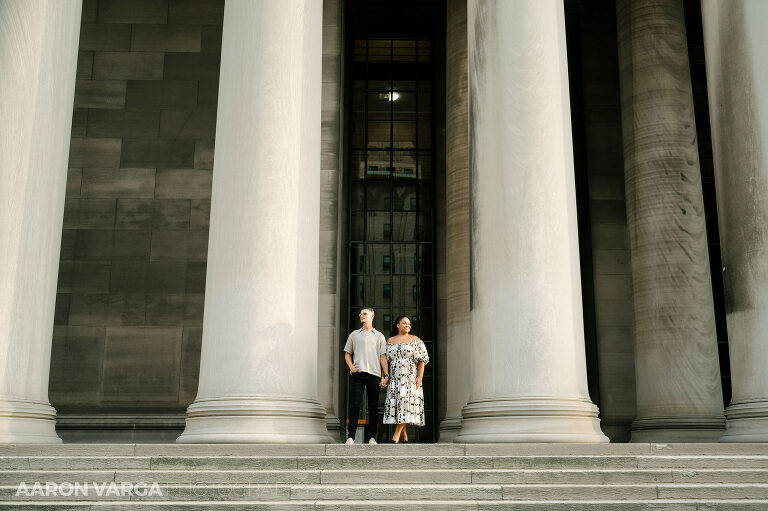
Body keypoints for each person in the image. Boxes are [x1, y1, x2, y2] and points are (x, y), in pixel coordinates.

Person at [343, 306, 389, 445]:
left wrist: (385, 375)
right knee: (355, 405)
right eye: (361, 314)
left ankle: (372, 437)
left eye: (365, 314)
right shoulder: (354, 335)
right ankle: (350, 437)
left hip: (374, 374)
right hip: (358, 374)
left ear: (372, 316)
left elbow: (382, 357)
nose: (362, 316)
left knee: (373, 407)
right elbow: (347, 354)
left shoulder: (379, 336)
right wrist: (352, 368)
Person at [383, 315, 429, 443]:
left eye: (409, 323)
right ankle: (404, 433)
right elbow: (385, 361)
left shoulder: (416, 340)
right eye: (404, 323)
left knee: (405, 404)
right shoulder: (390, 341)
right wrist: (385, 376)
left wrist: (420, 377)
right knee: (399, 405)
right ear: (397, 325)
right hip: (394, 378)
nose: (408, 325)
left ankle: (396, 434)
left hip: (409, 378)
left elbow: (421, 360)